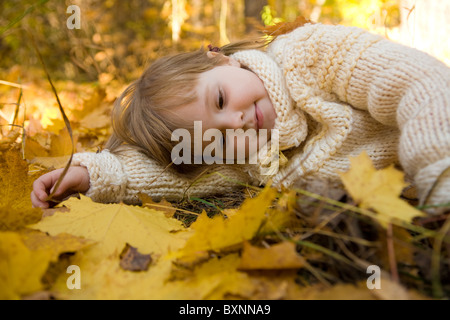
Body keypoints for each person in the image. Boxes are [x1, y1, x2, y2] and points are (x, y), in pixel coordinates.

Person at [31, 20, 450, 214]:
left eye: (219, 100)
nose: (236, 124)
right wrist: (91, 175)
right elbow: (164, 174)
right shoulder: (248, 160)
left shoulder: (314, 54)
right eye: (218, 138)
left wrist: (437, 172)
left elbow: (421, 84)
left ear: (218, 58)